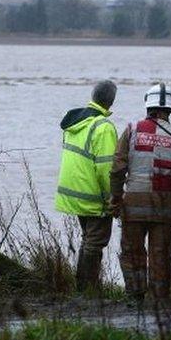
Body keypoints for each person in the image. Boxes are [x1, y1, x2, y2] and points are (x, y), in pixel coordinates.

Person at [110, 83, 171, 302]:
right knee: (160, 255)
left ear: (147, 104)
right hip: (166, 207)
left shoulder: (132, 130)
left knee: (132, 252)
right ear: (170, 108)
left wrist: (115, 199)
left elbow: (117, 169)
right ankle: (160, 299)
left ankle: (135, 296)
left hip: (133, 205)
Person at [54, 80, 118, 293]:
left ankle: (84, 286)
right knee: (95, 241)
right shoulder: (103, 127)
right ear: (111, 101)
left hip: (73, 193)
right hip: (92, 196)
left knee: (88, 239)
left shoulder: (76, 121)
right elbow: (106, 168)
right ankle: (87, 289)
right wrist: (113, 198)